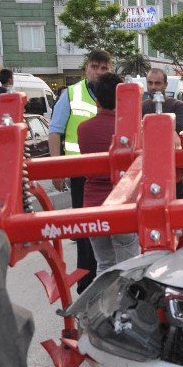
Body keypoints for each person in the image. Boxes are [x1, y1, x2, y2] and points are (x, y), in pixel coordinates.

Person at [47, 48, 112, 292]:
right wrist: (56, 168)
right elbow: (55, 131)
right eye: (94, 67)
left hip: (111, 174)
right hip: (81, 174)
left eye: (103, 68)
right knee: (85, 229)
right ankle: (86, 283)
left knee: (115, 228)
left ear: (110, 69)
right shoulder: (71, 94)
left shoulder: (116, 93)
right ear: (86, 68)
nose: (98, 72)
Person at [75, 72, 139, 275]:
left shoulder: (83, 128)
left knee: (104, 265)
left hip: (94, 206)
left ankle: (105, 305)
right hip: (124, 206)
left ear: (97, 98)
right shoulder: (132, 131)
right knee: (129, 268)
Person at [142, 68, 183, 134]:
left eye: (157, 83)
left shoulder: (178, 106)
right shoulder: (141, 108)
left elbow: (179, 131)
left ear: (166, 85)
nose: (153, 87)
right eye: (150, 83)